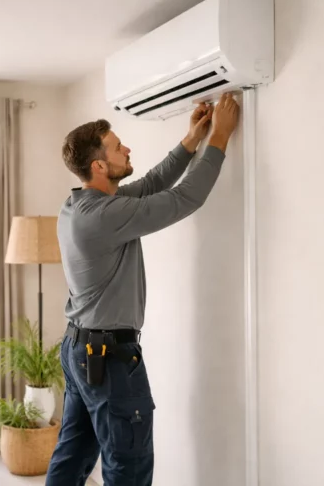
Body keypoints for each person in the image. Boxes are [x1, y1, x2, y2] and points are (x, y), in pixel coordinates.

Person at [45, 93, 240, 486]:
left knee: (73, 454)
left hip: (81, 350)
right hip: (107, 357)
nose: (127, 148)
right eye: (118, 147)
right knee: (127, 468)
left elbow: (151, 185)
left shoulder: (83, 205)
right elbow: (184, 199)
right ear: (99, 164)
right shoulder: (103, 216)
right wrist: (219, 137)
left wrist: (191, 141)